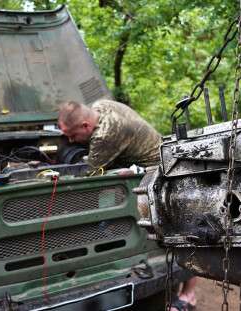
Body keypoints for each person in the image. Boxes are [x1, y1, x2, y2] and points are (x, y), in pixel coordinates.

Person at [58, 99, 196, 311]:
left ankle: (186, 297)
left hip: (163, 176)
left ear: (86, 126)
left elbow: (90, 178)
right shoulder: (101, 105)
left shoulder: (106, 134)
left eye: (72, 135)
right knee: (178, 230)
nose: (69, 140)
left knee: (176, 233)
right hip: (158, 167)